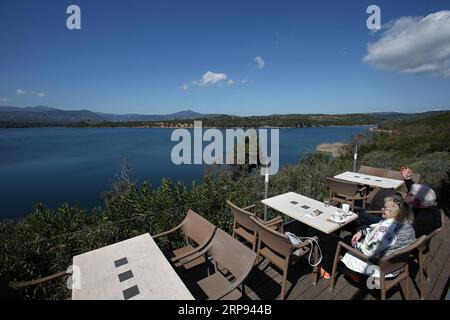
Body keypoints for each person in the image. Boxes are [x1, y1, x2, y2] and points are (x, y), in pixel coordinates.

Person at [340, 196, 416, 280]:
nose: (382, 209)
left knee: (340, 242)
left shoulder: (385, 230)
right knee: (350, 237)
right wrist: (362, 232)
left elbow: (367, 252)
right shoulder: (408, 226)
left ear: (395, 212)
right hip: (397, 266)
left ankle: (351, 273)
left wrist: (356, 244)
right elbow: (376, 230)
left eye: (385, 208)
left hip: (380, 268)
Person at [401, 166, 442, 237]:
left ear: (416, 201)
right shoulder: (429, 205)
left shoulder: (420, 221)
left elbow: (405, 236)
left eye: (409, 194)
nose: (407, 195)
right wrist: (407, 178)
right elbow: (416, 191)